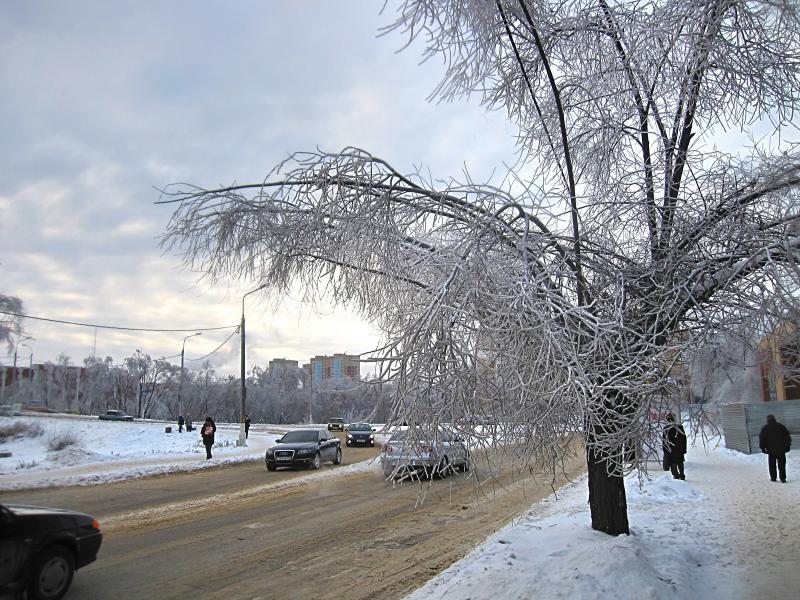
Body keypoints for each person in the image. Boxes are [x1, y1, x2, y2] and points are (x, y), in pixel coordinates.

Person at [759, 414, 791, 483]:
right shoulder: (781, 427)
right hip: (781, 450)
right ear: (774, 419)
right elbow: (787, 437)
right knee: (782, 464)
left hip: (771, 450)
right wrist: (788, 446)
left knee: (772, 464)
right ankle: (783, 478)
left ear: (767, 420)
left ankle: (773, 478)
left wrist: (762, 448)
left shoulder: (765, 428)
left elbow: (762, 439)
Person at [662, 412, 687, 480]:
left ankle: (676, 475)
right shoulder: (680, 427)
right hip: (680, 448)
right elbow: (684, 438)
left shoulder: (666, 428)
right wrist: (684, 448)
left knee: (673, 463)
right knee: (680, 462)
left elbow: (664, 441)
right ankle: (682, 475)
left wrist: (665, 450)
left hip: (671, 449)